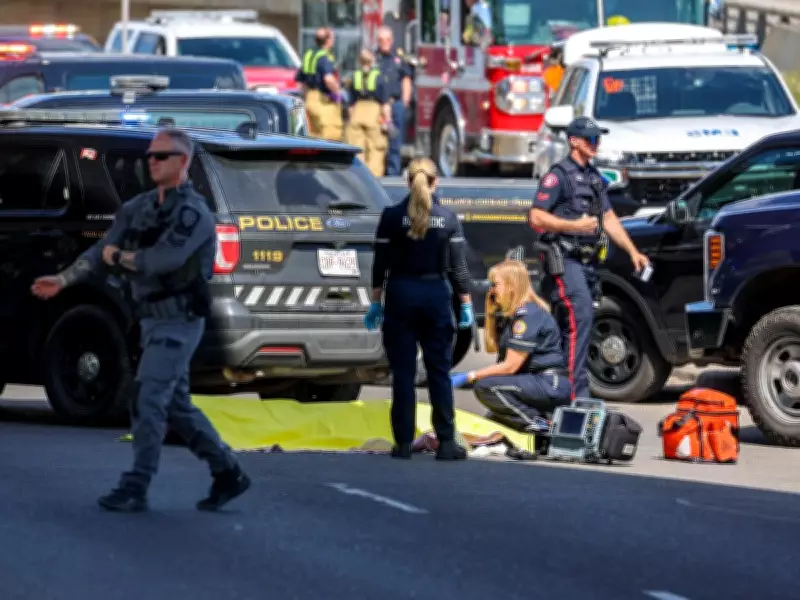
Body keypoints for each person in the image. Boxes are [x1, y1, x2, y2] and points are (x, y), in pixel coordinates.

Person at [30, 129, 251, 513]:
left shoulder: (193, 214)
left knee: (147, 399)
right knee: (177, 407)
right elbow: (101, 249)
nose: (152, 161)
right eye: (150, 155)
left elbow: (163, 259)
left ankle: (136, 484)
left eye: (162, 156)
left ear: (183, 162)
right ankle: (227, 471)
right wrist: (64, 280)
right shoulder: (139, 207)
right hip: (149, 320)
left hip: (179, 321)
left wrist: (121, 258)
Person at [530, 117, 649, 400]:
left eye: (598, 139)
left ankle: (556, 389)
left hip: (587, 263)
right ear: (574, 141)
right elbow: (535, 217)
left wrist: (632, 251)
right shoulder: (558, 176)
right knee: (580, 316)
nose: (596, 144)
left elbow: (608, 218)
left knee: (575, 324)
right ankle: (577, 394)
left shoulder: (595, 177)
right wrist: (574, 226)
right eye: (591, 139)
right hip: (565, 259)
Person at [365, 157, 473, 460]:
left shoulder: (391, 216)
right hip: (435, 296)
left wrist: (375, 302)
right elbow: (458, 269)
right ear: (436, 182)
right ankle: (446, 442)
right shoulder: (448, 218)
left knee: (403, 374)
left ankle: (402, 443)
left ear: (407, 181)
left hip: (400, 295)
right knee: (439, 371)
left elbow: (380, 265)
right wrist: (466, 304)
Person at [450, 260, 571, 433]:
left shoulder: (528, 315)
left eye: (495, 285)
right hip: (534, 382)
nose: (491, 290)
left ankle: (543, 426)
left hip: (549, 383)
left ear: (511, 286)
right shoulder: (514, 315)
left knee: (487, 387)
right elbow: (491, 348)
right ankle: (535, 424)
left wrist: (470, 376)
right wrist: (490, 314)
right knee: (492, 424)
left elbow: (510, 366)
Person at [345, 49, 391, 177]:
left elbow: (350, 104)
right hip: (374, 113)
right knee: (376, 150)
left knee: (357, 150)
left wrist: (350, 119)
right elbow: (385, 104)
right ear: (372, 61)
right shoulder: (379, 77)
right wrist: (387, 121)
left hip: (357, 113)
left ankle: (358, 178)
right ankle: (373, 180)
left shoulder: (354, 76)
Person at [375, 26, 412, 176]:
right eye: (381, 40)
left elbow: (406, 79)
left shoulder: (399, 58)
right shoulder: (373, 58)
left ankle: (393, 175)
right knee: (376, 141)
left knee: (395, 142)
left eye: (387, 39)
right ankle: (378, 173)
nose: (385, 42)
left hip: (395, 104)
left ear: (392, 40)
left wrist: (404, 102)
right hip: (378, 105)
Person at [303, 28, 343, 141]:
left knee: (313, 136)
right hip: (323, 100)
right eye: (332, 38)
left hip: (309, 98)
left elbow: (301, 82)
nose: (333, 40)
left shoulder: (309, 55)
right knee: (330, 136)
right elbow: (328, 79)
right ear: (328, 40)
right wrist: (338, 93)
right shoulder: (324, 57)